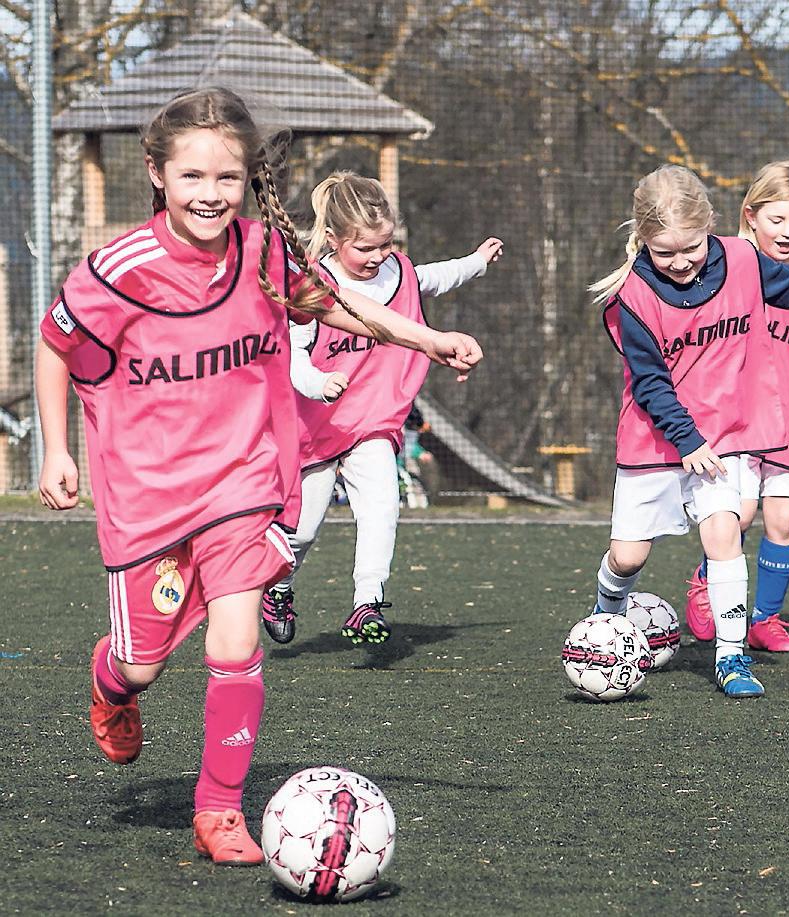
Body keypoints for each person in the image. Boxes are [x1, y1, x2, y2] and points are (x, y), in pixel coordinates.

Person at [34, 89, 482, 866]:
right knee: (145, 658)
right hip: (149, 498)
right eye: (195, 176)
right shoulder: (119, 270)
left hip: (243, 485)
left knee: (237, 639)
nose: (211, 194)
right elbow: (53, 344)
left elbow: (342, 307)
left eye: (228, 178)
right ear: (158, 174)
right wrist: (55, 447)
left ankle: (219, 810)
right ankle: (113, 685)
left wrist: (429, 336)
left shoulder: (265, 254)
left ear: (249, 181)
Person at [590, 164, 789, 698]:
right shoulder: (634, 294)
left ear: (709, 228)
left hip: (724, 435)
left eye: (689, 248)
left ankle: (731, 657)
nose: (680, 262)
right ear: (642, 240)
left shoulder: (741, 260)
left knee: (724, 533)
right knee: (629, 557)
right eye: (663, 252)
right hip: (658, 435)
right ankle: (604, 620)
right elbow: (649, 383)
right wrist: (687, 441)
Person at [262, 170, 502, 646]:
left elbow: (435, 276)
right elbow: (295, 359)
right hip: (315, 425)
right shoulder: (311, 286)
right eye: (364, 248)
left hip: (375, 420)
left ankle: (366, 602)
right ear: (332, 239)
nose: (377, 257)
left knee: (381, 507)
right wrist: (319, 383)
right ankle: (278, 586)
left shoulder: (401, 272)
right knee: (303, 531)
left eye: (384, 245)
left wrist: (475, 262)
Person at [684, 160, 789, 652]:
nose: (788, 231)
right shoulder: (734, 268)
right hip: (743, 417)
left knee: (783, 520)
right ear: (751, 216)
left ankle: (765, 619)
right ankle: (705, 581)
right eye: (777, 220)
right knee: (740, 514)